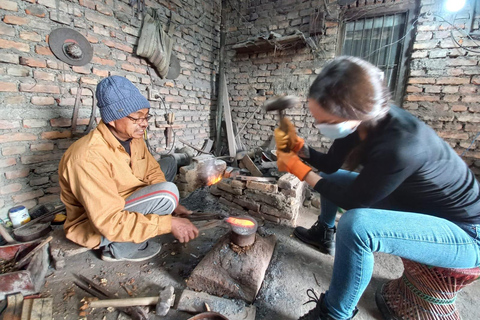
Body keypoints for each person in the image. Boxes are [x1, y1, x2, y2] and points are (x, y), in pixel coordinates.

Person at [274, 56, 480, 320]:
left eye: (322, 119)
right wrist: (301, 149)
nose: (317, 125)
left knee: (356, 225)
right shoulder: (359, 124)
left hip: (464, 232)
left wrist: (301, 171)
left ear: (349, 112)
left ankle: (334, 313)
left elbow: (355, 201)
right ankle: (323, 234)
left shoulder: (401, 144)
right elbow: (330, 164)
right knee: (333, 177)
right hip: (415, 205)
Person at [59, 76, 198, 262]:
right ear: (112, 120)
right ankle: (116, 250)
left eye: (146, 116)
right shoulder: (87, 156)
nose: (145, 123)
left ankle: (155, 211)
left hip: (126, 197)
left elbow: (151, 171)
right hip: (100, 222)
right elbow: (109, 221)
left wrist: (173, 207)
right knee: (168, 193)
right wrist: (167, 223)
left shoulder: (134, 139)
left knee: (169, 164)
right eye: (137, 118)